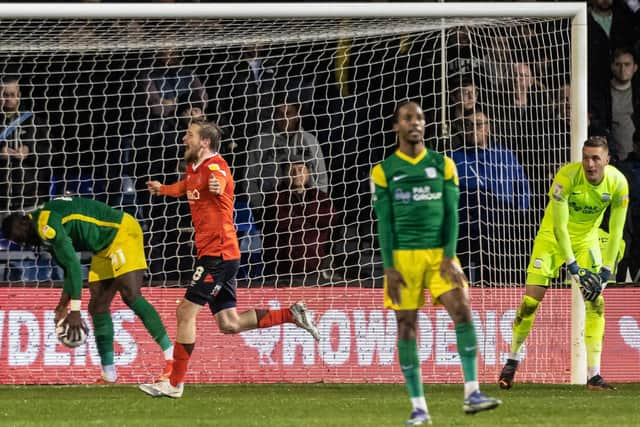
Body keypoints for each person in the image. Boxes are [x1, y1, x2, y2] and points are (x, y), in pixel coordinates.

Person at [139, 120, 320, 399]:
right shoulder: (193, 168)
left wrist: (218, 184)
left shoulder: (216, 166)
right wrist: (163, 189)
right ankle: (291, 313)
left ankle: (174, 383)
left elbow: (222, 181)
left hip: (218, 255)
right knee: (229, 324)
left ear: (205, 142)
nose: (184, 138)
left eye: (189, 135)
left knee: (185, 312)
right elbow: (187, 186)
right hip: (218, 254)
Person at [370, 101, 501, 425]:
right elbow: (384, 223)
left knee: (463, 311)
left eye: (420, 118)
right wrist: (389, 267)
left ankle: (472, 392)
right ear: (396, 127)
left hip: (440, 255)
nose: (415, 123)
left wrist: (448, 255)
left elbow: (451, 213)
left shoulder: (444, 165)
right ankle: (419, 408)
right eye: (407, 118)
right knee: (407, 327)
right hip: (402, 259)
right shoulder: (384, 170)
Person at [498, 136, 629, 391]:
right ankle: (511, 361)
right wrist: (573, 267)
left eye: (595, 158)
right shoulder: (566, 178)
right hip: (551, 239)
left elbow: (616, 230)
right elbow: (559, 226)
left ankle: (594, 375)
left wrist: (606, 270)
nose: (589, 164)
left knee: (597, 303)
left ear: (607, 160)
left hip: (586, 241)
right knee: (530, 302)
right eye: (586, 157)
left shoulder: (618, 184)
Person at [1, 197, 174, 384]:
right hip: (101, 247)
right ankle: (109, 374)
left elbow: (74, 265)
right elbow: (68, 269)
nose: (22, 242)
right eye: (17, 241)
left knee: (130, 295)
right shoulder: (41, 232)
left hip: (120, 232)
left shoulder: (46, 224)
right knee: (98, 307)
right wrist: (62, 306)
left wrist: (75, 310)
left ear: (25, 221)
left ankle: (172, 360)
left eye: (20, 236)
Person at [262, 156, 336, 277]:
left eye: (301, 169)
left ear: (308, 172)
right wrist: (310, 220)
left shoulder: (319, 197)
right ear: (284, 173)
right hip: (282, 268)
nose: (296, 174)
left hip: (314, 267)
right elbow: (283, 223)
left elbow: (329, 219)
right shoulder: (275, 197)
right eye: (291, 170)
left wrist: (303, 211)